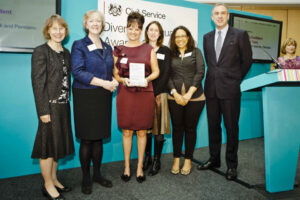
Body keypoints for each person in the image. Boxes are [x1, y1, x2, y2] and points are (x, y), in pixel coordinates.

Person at [197, 3, 252, 180]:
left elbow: (247, 61)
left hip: (230, 90)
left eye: (223, 13)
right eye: (216, 13)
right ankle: (214, 159)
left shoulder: (240, 35)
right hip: (211, 89)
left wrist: (235, 79)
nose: (219, 16)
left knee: (231, 128)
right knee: (213, 127)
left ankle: (231, 165)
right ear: (212, 17)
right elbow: (212, 64)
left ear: (228, 16)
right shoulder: (207, 37)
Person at [71, 10, 118, 194]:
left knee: (98, 138)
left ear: (102, 24)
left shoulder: (108, 47)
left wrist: (115, 80)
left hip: (103, 96)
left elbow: (111, 70)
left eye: (98, 21)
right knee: (87, 140)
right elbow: (78, 71)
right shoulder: (79, 45)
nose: (95, 24)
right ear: (85, 24)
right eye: (91, 21)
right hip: (86, 95)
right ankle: (85, 177)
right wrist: (104, 83)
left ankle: (97, 174)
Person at [31, 14, 74, 200]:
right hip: (49, 107)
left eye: (61, 28)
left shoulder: (66, 52)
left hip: (64, 106)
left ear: (65, 31)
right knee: (47, 147)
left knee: (58, 145)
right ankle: (47, 184)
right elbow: (38, 83)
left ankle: (54, 179)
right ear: (48, 30)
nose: (58, 32)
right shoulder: (41, 51)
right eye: (54, 28)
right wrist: (43, 111)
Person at [113, 12, 160, 183]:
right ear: (126, 29)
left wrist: (145, 79)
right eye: (130, 28)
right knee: (126, 131)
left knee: (141, 132)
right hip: (126, 94)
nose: (133, 31)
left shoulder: (149, 49)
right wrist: (122, 79)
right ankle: (126, 166)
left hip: (144, 93)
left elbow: (156, 72)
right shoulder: (118, 49)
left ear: (141, 30)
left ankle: (139, 166)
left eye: (137, 29)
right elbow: (115, 74)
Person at [168, 26, 205, 176]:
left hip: (195, 97)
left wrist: (189, 93)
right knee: (177, 128)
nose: (180, 39)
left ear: (188, 37)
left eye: (183, 36)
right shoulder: (170, 54)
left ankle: (188, 159)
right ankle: (176, 158)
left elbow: (200, 72)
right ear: (173, 39)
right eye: (177, 36)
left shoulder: (197, 52)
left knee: (190, 128)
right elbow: (167, 75)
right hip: (173, 96)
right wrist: (175, 93)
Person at [143, 21, 171, 176]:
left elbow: (166, 73)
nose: (153, 32)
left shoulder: (165, 50)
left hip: (160, 94)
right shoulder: (142, 48)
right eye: (151, 29)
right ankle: (147, 157)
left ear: (160, 33)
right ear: (147, 32)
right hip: (143, 94)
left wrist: (154, 92)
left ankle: (156, 160)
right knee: (145, 128)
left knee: (158, 130)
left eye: (156, 30)